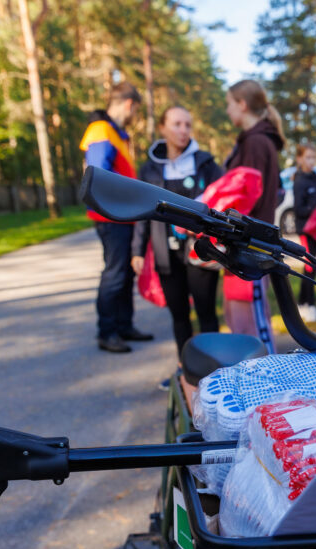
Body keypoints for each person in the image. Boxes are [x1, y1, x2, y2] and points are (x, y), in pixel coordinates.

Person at [130, 106, 224, 384]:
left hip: (200, 252)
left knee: (206, 314)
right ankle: (185, 370)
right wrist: (137, 251)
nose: (183, 130)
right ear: (162, 128)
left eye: (187, 125)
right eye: (177, 124)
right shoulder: (149, 167)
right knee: (180, 316)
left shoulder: (206, 163)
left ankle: (215, 371)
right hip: (165, 253)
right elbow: (141, 211)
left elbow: (221, 203)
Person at [80, 82, 153, 353]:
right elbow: (98, 175)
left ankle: (124, 326)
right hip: (111, 216)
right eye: (136, 111)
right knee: (115, 273)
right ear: (129, 104)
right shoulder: (101, 130)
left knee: (123, 274)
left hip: (122, 215)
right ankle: (107, 332)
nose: (135, 118)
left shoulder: (115, 133)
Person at [222, 79, 285, 349]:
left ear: (242, 104)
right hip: (242, 245)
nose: (227, 111)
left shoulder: (257, 143)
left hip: (252, 248)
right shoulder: (251, 142)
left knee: (255, 327)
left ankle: (270, 385)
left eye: (229, 104)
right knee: (241, 321)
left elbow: (247, 196)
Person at [292, 142, 316, 323]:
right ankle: (308, 306)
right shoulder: (300, 181)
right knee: (310, 268)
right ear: (300, 159)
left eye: (314, 157)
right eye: (308, 157)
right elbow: (299, 210)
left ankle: (304, 304)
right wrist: (314, 208)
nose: (312, 161)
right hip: (305, 230)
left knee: (310, 267)